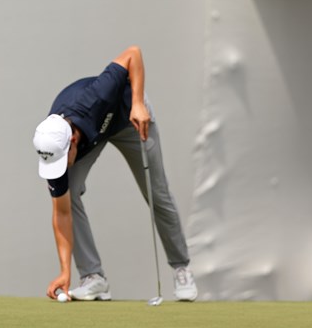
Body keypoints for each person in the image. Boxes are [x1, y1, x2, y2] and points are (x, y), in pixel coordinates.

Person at [33, 46, 198, 302]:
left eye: (63, 161)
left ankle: (181, 268)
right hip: (94, 134)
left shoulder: (95, 96)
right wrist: (64, 271)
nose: (61, 168)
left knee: (157, 192)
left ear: (73, 141)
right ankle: (92, 277)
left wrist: (138, 103)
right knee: (70, 193)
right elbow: (61, 212)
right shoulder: (52, 147)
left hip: (129, 118)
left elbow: (133, 53)